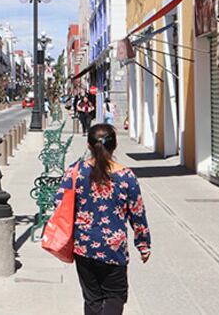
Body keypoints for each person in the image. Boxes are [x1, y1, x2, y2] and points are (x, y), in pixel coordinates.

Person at [54, 123, 151, 314]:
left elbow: (59, 202)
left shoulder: (76, 171)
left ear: (88, 146)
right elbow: (137, 213)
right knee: (115, 296)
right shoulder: (126, 176)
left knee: (92, 299)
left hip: (84, 246)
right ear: (115, 145)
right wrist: (143, 244)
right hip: (113, 248)